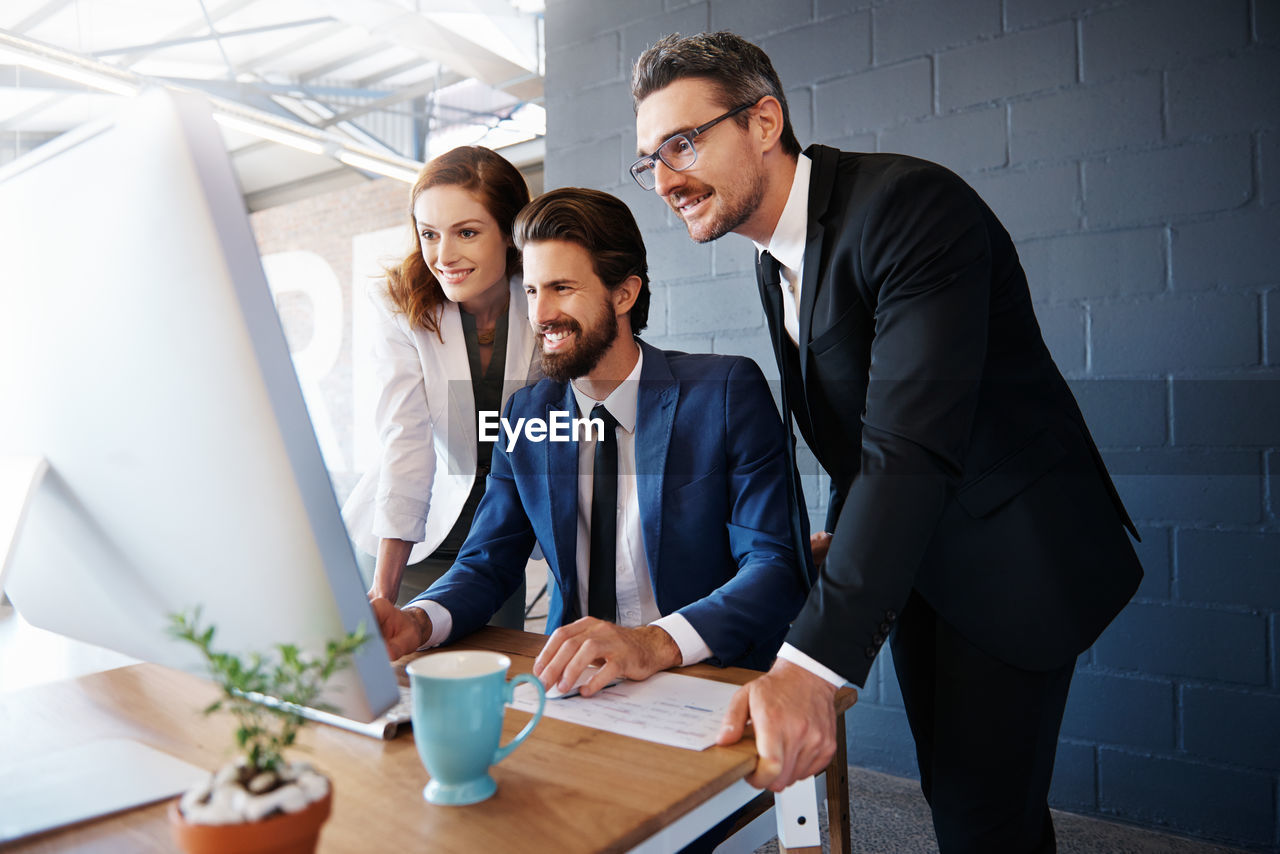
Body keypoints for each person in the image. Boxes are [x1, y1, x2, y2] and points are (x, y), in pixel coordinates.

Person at [630, 32, 1144, 854]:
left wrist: (806, 667)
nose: (664, 179)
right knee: (962, 796)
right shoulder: (774, 261)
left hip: (1015, 554)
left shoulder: (909, 206)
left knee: (983, 815)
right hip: (920, 561)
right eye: (649, 159)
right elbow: (860, 434)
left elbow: (909, 442)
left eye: (683, 144)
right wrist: (842, 532)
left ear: (765, 121)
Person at [371, 187, 812, 698]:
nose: (541, 314)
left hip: (701, 672)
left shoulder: (725, 393)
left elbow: (775, 565)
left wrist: (652, 642)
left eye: (561, 288)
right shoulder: (526, 413)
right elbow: (486, 562)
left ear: (623, 294)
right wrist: (418, 622)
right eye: (533, 292)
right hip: (577, 682)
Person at [342, 146, 537, 626]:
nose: (443, 256)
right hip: (407, 544)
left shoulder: (542, 293)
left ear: (510, 233)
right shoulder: (400, 302)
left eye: (466, 233)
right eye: (429, 234)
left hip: (494, 550)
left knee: (492, 688)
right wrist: (382, 594)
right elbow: (405, 442)